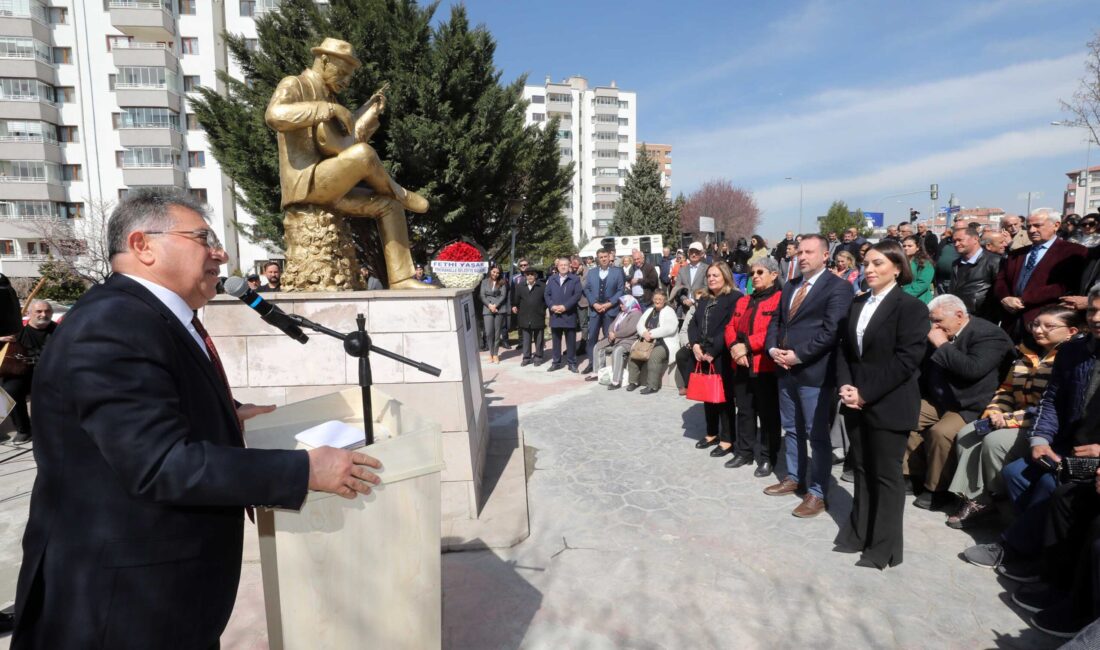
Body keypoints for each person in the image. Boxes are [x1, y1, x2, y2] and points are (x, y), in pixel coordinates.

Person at [12, 188, 381, 648]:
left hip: (159, 595)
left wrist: (225, 413)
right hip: (122, 605)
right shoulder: (112, 324)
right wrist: (306, 470)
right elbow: (159, 464)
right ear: (143, 245)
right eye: (203, 239)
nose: (220, 254)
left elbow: (146, 412)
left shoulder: (146, 315)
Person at [961, 285, 1100, 590]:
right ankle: (1038, 544)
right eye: (1092, 310)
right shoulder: (1076, 351)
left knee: (1053, 486)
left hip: (1094, 456)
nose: (1097, 317)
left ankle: (1016, 548)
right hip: (1066, 443)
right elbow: (1052, 400)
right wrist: (1041, 440)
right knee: (1016, 473)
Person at [832, 241, 931, 570]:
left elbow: (907, 361)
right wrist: (846, 386)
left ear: (898, 268)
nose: (869, 269)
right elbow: (845, 349)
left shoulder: (911, 307)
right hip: (854, 400)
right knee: (861, 469)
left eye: (878, 263)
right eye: (866, 263)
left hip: (888, 403)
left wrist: (865, 393)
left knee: (887, 477)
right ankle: (859, 533)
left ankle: (883, 548)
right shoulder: (859, 303)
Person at [946, 305, 1082, 529]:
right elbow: (1007, 389)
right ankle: (974, 498)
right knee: (967, 434)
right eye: (1036, 324)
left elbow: (1052, 406)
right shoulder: (1026, 352)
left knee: (995, 442)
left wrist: (1009, 420)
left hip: (1039, 425)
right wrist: (995, 412)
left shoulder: (1069, 360)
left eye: (1049, 326)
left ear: (1072, 331)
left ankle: (991, 500)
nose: (1039, 330)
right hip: (1010, 416)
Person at [764, 234, 854, 517]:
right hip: (785, 369)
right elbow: (776, 321)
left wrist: (799, 355)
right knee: (791, 428)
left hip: (814, 372)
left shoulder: (838, 288)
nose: (802, 257)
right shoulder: (790, 286)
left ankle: (817, 492)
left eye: (809, 252)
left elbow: (831, 332)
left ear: (825, 255)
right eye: (799, 252)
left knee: (816, 436)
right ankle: (794, 477)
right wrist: (772, 349)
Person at [908, 294, 1015, 510]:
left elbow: (972, 370)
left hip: (971, 402)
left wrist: (942, 345)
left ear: (959, 315)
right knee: (907, 414)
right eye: (932, 320)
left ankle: (937, 488)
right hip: (940, 397)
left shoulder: (989, 335)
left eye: (938, 320)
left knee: (942, 432)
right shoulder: (943, 332)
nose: (934, 326)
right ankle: (911, 474)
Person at [724, 258, 783, 476]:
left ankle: (768, 457)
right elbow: (730, 325)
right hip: (740, 363)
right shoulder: (743, 300)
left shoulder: (779, 300)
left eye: (760, 272)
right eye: (753, 273)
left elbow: (772, 332)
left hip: (764, 366)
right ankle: (744, 452)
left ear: (774, 275)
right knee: (745, 411)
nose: (755, 276)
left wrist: (746, 346)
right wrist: (734, 347)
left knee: (768, 414)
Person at [676, 263, 741, 455]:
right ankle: (712, 433)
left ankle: (728, 439)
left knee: (724, 398)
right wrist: (695, 344)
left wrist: (713, 351)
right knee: (707, 395)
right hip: (701, 353)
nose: (711, 279)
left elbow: (731, 326)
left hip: (721, 354)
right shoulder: (703, 298)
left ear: (726, 277)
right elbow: (694, 323)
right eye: (709, 275)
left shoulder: (734, 297)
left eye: (716, 275)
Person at [994, 208, 1087, 341]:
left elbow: (1065, 285)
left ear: (1056, 225)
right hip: (1011, 322)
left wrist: (1024, 299)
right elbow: (1001, 279)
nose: (1031, 230)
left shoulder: (1074, 252)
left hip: (1046, 325)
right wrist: (1005, 298)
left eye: (1037, 225)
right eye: (1029, 226)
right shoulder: (1016, 253)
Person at [1, 300, 57, 443]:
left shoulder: (60, 331)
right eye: (39, 311)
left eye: (47, 311)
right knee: (8, 390)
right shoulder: (18, 333)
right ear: (28, 313)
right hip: (24, 373)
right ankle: (24, 429)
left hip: (53, 374)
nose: (43, 314)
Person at [581, 249, 625, 375]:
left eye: (606, 256)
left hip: (610, 309)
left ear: (609, 257)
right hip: (595, 310)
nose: (604, 259)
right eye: (601, 257)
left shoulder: (617, 272)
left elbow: (620, 290)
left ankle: (607, 364)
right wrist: (594, 304)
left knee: (609, 336)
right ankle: (592, 363)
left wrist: (608, 304)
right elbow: (587, 289)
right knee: (592, 337)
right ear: (597, 258)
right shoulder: (592, 272)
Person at [627, 289, 678, 394]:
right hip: (647, 340)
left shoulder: (669, 311)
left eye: (660, 299)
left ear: (665, 300)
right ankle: (633, 381)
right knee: (634, 354)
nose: (657, 301)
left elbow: (669, 328)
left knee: (655, 355)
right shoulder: (650, 310)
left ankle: (652, 386)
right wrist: (644, 332)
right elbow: (639, 324)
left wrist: (651, 334)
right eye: (655, 299)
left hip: (663, 342)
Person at [948, 225, 1002, 322]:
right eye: (954, 241)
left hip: (983, 318)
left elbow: (1000, 291)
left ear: (975, 239)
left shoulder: (994, 261)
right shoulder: (956, 264)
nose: (956, 244)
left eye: (960, 240)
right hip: (959, 317)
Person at [590, 295, 642, 389]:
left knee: (617, 351)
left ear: (629, 303)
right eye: (620, 304)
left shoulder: (636, 314)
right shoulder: (622, 313)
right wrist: (610, 332)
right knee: (598, 346)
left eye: (622, 304)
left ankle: (616, 381)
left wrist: (615, 334)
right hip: (615, 338)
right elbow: (612, 324)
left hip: (628, 340)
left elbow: (630, 330)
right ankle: (597, 373)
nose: (621, 306)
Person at [544, 257, 582, 373]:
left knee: (571, 341)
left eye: (566, 265)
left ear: (569, 266)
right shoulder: (552, 279)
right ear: (558, 266)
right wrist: (552, 306)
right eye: (561, 265)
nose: (563, 267)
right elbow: (547, 294)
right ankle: (556, 363)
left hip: (569, 314)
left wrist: (565, 307)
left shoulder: (575, 279)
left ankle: (572, 363)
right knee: (556, 341)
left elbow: (577, 295)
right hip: (555, 314)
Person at [512, 266, 546, 366]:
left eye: (532, 274)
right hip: (524, 316)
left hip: (538, 315)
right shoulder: (519, 286)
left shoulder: (542, 286)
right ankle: (526, 358)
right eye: (528, 274)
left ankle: (538, 357)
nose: (530, 276)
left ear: (535, 275)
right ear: (525, 276)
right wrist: (514, 306)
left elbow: (546, 301)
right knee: (526, 339)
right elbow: (516, 301)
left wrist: (541, 309)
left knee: (539, 338)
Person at [480, 265, 509, 364]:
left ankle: (495, 354)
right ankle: (491, 353)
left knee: (497, 333)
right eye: (494, 272)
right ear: (490, 271)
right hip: (487, 309)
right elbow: (482, 295)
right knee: (489, 333)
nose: (495, 274)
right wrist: (489, 305)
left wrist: (495, 305)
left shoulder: (503, 282)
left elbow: (503, 295)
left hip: (499, 309)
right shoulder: (484, 282)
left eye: (497, 273)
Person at [671, 242, 708, 315]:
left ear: (701, 254)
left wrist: (693, 300)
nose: (694, 254)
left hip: (701, 307)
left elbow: (707, 287)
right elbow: (678, 288)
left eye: (697, 252)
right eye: (691, 252)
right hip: (684, 309)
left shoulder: (707, 269)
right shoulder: (682, 270)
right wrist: (684, 299)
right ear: (688, 253)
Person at [901, 235, 934, 304]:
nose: (906, 248)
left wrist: (904, 294)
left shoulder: (925, 263)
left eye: (910, 246)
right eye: (904, 246)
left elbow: (922, 283)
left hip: (920, 299)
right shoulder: (900, 262)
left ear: (918, 247)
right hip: (902, 299)